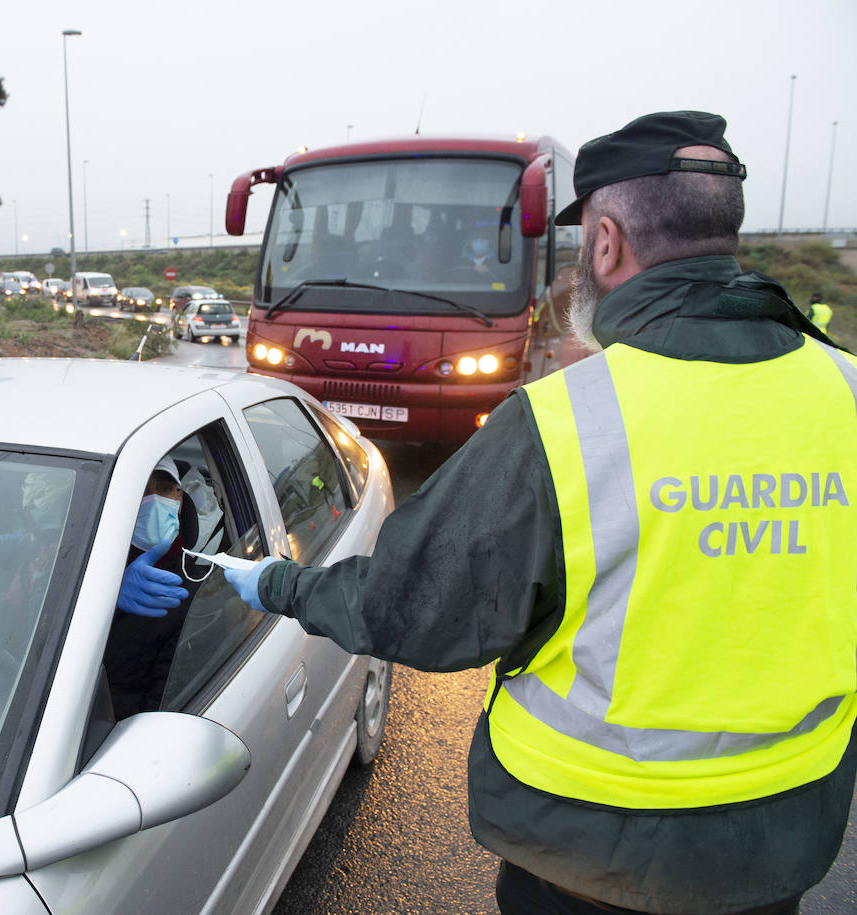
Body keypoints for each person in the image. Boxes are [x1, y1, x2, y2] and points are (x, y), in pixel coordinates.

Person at [224, 111, 855, 914]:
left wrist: (279, 584)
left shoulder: (570, 421)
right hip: (781, 839)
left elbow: (409, 604)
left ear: (605, 243)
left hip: (586, 854)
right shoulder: (846, 394)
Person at [104, 456, 196, 718]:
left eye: (165, 489)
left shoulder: (192, 589)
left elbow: (160, 707)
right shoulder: (86, 562)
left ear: (179, 501)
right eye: (142, 491)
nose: (154, 500)